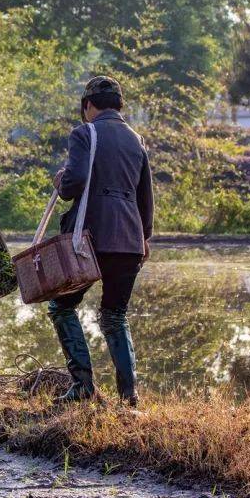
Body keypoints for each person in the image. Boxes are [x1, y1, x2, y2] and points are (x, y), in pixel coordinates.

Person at [50, 75, 154, 406]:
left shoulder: (85, 133)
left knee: (61, 306)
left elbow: (75, 182)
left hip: (91, 239)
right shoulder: (136, 139)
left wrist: (61, 182)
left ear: (88, 106)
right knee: (114, 315)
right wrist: (144, 238)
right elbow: (145, 197)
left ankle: (82, 385)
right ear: (118, 105)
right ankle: (128, 396)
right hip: (129, 240)